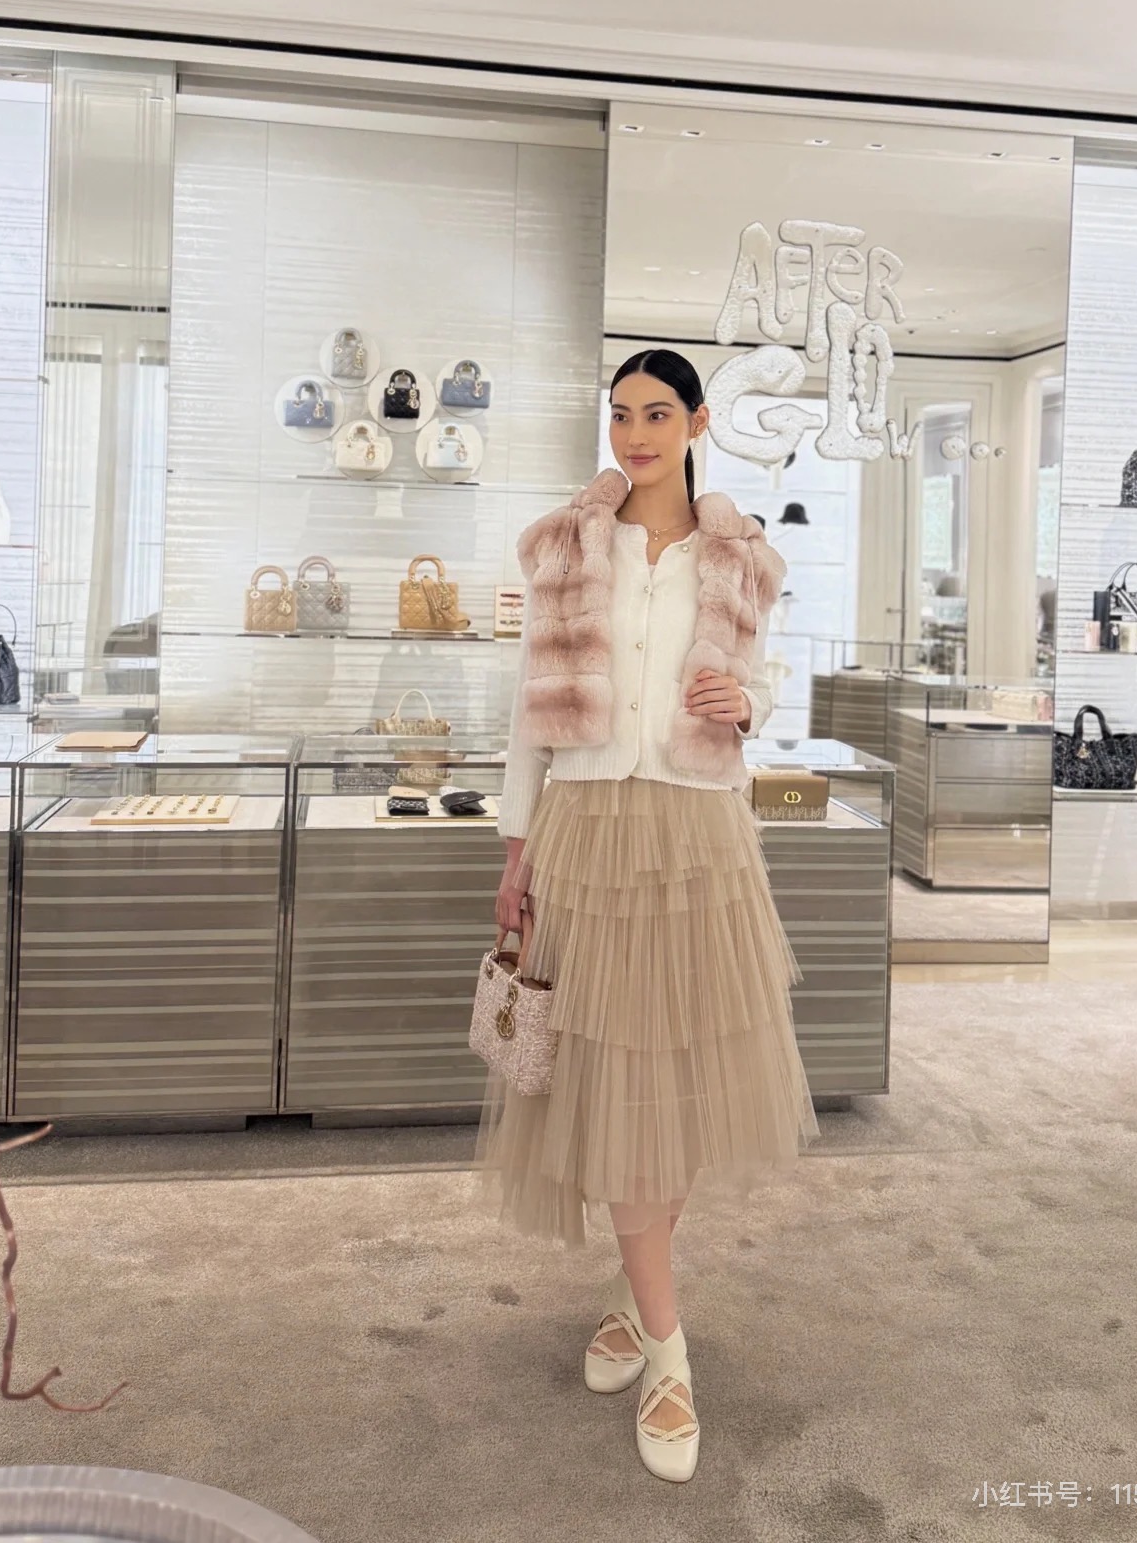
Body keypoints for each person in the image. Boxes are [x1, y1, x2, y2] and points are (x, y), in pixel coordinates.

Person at [469, 348, 820, 1483]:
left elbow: (769, 684)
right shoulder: (570, 548)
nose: (636, 433)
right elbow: (528, 716)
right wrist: (516, 851)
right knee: (608, 1081)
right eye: (620, 414)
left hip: (698, 833)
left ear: (698, 422)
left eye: (658, 413)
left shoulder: (741, 557)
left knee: (671, 1089)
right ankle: (669, 1352)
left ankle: (636, 1299)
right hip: (586, 831)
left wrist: (746, 701)